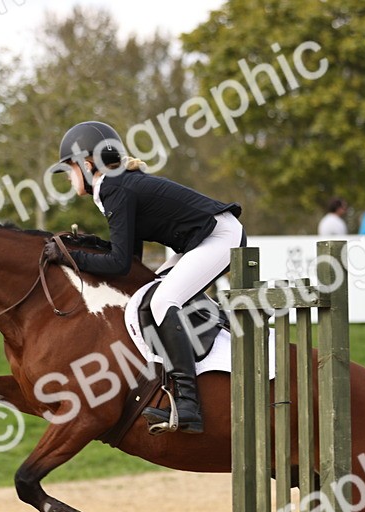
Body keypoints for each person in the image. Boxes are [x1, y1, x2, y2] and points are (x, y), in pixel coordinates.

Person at [43, 120, 244, 434]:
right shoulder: (114, 185)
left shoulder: (113, 187)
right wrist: (87, 249)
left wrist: (70, 259)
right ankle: (208, 343)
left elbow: (120, 263)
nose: (69, 178)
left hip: (220, 236)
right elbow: (132, 261)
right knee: (150, 293)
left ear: (86, 163)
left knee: (163, 301)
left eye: (69, 169)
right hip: (200, 240)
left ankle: (188, 404)